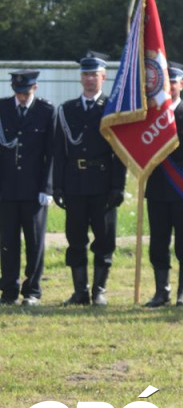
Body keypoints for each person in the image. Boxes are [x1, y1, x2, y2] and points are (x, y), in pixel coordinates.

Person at [53, 52, 127, 306]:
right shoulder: (67, 110)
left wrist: (119, 185)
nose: (89, 79)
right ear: (80, 78)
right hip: (74, 183)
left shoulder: (112, 109)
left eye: (94, 74)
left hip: (103, 183)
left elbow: (120, 152)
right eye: (85, 74)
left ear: (103, 77)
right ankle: (80, 291)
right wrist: (58, 185)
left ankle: (100, 290)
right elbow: (59, 151)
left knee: (104, 239)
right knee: (75, 239)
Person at [143, 64, 183, 307]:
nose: (170, 86)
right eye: (166, 81)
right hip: (158, 189)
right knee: (158, 242)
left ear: (182, 85)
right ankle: (162, 291)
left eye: (175, 81)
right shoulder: (150, 116)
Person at [0, 70, 54, 306]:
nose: (21, 97)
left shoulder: (46, 111)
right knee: (7, 242)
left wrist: (48, 187)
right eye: (18, 92)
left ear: (35, 88)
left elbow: (52, 153)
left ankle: (32, 290)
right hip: (6, 189)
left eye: (26, 92)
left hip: (34, 190)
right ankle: (9, 290)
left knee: (34, 242)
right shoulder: (2, 109)